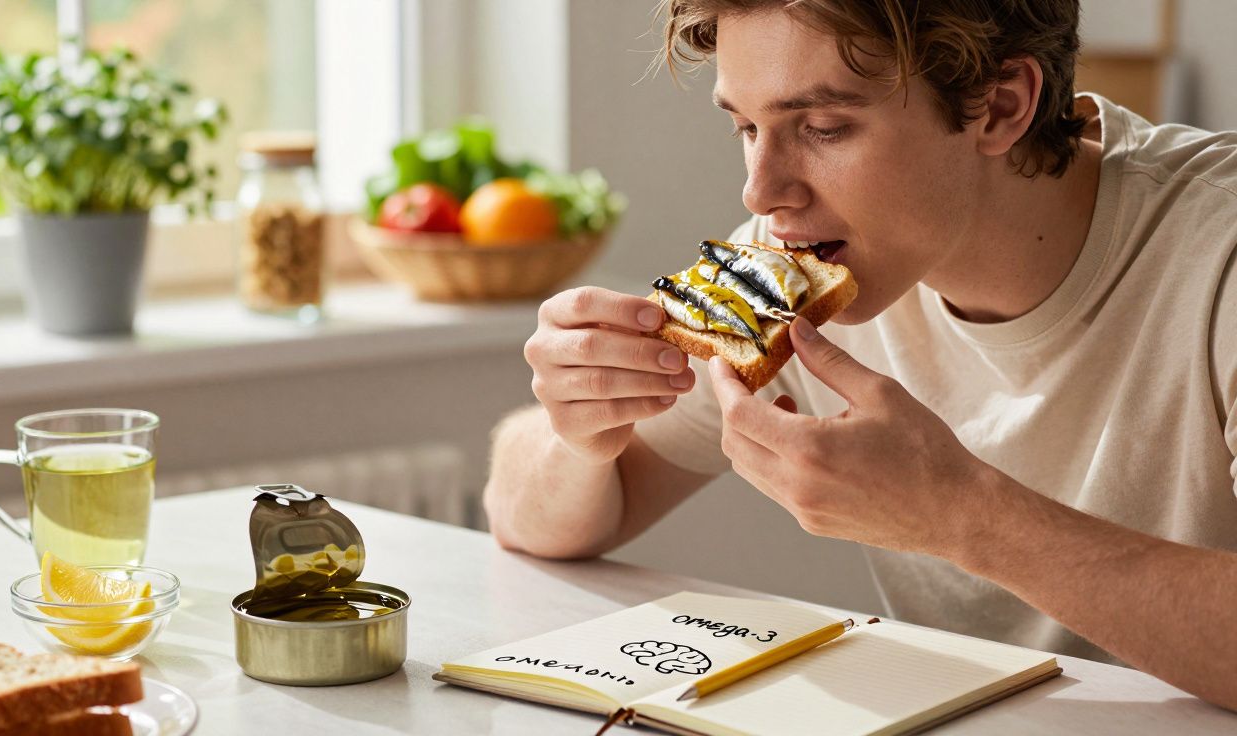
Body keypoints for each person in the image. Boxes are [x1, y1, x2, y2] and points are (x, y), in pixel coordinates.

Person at [483, 0, 1237, 710]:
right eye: (746, 126)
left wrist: (960, 514)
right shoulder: (790, 271)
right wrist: (580, 430)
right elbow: (531, 520)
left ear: (1002, 106)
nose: (760, 192)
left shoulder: (1218, 257)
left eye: (822, 126)